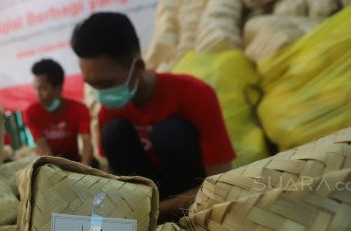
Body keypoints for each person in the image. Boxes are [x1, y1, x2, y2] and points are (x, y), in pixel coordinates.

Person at [71, 12, 235, 220]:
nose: (100, 94)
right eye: (91, 85)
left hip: (197, 202)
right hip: (148, 204)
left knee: (169, 132)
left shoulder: (194, 94)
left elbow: (222, 184)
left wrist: (153, 212)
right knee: (114, 132)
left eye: (105, 84)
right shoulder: (109, 111)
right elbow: (111, 178)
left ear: (138, 67)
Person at [23, 59, 94, 166]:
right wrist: (56, 174)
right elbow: (43, 147)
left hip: (74, 162)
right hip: (47, 164)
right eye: (36, 89)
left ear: (58, 88)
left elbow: (87, 143)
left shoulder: (79, 109)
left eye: (43, 89)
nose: (39, 94)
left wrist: (85, 170)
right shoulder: (31, 112)